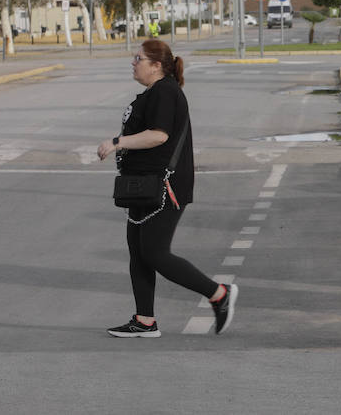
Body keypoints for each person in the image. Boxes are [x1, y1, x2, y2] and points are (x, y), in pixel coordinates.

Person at [96, 38, 237, 338]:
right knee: (138, 253)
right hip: (142, 184)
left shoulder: (165, 92)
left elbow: (158, 135)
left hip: (164, 186)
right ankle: (145, 321)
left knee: (156, 253)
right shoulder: (152, 93)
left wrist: (116, 143)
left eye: (138, 58)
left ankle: (218, 293)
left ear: (156, 65)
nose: (133, 63)